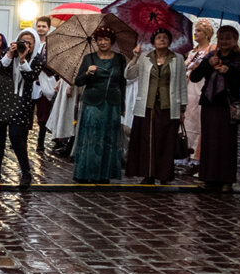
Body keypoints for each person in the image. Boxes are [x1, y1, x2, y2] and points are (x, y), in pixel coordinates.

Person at [189, 25, 240, 191]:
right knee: (209, 141)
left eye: (228, 38)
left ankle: (226, 180)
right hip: (209, 104)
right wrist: (207, 65)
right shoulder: (211, 56)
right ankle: (207, 176)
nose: (224, 42)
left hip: (227, 106)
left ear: (234, 40)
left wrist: (229, 70)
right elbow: (195, 77)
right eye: (222, 38)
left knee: (226, 143)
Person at [125, 28, 186, 185]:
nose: (162, 40)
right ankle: (148, 174)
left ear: (170, 41)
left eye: (165, 37)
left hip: (168, 105)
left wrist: (182, 107)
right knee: (148, 140)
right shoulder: (145, 57)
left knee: (166, 140)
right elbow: (129, 75)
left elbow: (181, 83)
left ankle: (164, 174)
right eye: (159, 37)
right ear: (153, 42)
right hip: (148, 105)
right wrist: (135, 57)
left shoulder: (177, 58)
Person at [72, 26, 128, 183]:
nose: (103, 42)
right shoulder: (89, 58)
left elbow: (122, 83)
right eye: (100, 39)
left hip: (112, 103)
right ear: (96, 41)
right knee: (91, 138)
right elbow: (78, 81)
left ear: (112, 42)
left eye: (106, 39)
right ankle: (87, 172)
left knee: (108, 139)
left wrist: (122, 105)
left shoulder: (119, 59)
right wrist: (87, 73)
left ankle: (105, 174)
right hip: (92, 103)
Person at [0, 30, 35, 188]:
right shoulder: (9, 53)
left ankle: (26, 172)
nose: (25, 45)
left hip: (20, 102)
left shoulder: (37, 59)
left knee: (16, 137)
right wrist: (10, 54)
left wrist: (22, 60)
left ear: (34, 45)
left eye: (29, 42)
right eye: (23, 41)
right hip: (2, 100)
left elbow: (30, 78)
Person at [183, 19, 214, 163]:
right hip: (187, 87)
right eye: (195, 30)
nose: (195, 33)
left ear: (207, 33)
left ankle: (197, 154)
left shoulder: (211, 50)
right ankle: (184, 151)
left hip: (200, 87)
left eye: (199, 31)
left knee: (197, 119)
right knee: (187, 118)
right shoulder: (192, 51)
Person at [30, 16, 58, 153]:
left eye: (43, 26)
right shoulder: (31, 43)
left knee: (42, 115)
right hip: (31, 84)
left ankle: (40, 142)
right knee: (27, 113)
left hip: (44, 84)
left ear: (48, 28)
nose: (41, 29)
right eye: (39, 26)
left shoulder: (51, 45)